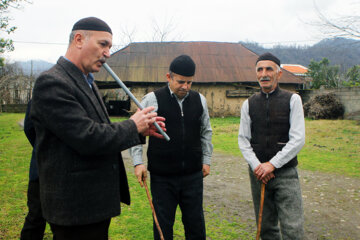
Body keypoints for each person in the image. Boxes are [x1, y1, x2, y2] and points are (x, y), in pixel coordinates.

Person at [30, 17, 165, 240]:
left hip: (92, 205)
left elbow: (100, 128)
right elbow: (87, 137)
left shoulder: (87, 81)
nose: (108, 53)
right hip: (74, 208)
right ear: (79, 39)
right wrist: (133, 125)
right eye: (103, 44)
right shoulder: (52, 82)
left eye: (110, 47)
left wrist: (139, 130)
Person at [129, 55, 213, 240]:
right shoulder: (152, 99)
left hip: (192, 175)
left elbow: (206, 132)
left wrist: (206, 160)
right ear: (169, 77)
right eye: (181, 82)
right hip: (162, 177)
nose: (185, 87)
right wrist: (137, 163)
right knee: (163, 226)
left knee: (196, 224)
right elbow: (136, 132)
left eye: (189, 82)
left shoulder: (200, 100)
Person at [238, 52, 305, 240]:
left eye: (269, 69)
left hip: (286, 173)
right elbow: (243, 139)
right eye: (259, 69)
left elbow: (298, 138)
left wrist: (272, 164)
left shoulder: (293, 100)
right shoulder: (248, 104)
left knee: (293, 228)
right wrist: (257, 166)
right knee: (266, 227)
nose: (263, 74)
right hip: (258, 174)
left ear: (279, 74)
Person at [20, 99, 46, 240]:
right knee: (36, 217)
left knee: (35, 217)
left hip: (41, 168)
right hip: (40, 172)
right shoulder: (39, 95)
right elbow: (29, 128)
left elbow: (28, 128)